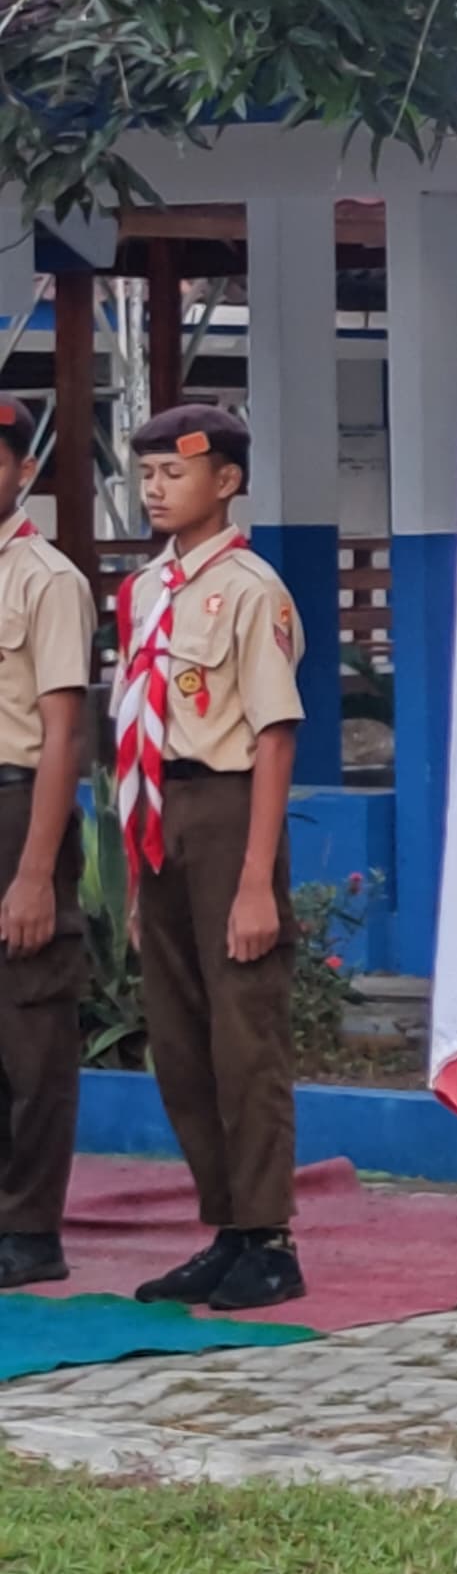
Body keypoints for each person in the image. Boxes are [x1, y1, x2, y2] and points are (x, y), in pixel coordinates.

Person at [118, 403, 308, 1315]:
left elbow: (274, 737)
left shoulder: (252, 589)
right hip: (159, 813)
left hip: (229, 810)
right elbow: (136, 730)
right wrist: (133, 877)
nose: (156, 490)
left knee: (243, 1033)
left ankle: (269, 1238)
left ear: (226, 482)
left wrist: (256, 881)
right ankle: (226, 1225)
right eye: (147, 474)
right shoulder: (145, 591)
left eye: (175, 474)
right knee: (180, 1039)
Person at [0, 399, 94, 1293]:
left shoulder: (46, 579)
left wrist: (36, 871)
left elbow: (63, 732)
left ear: (22, 472)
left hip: (18, 805)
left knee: (29, 1025)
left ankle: (30, 1228)